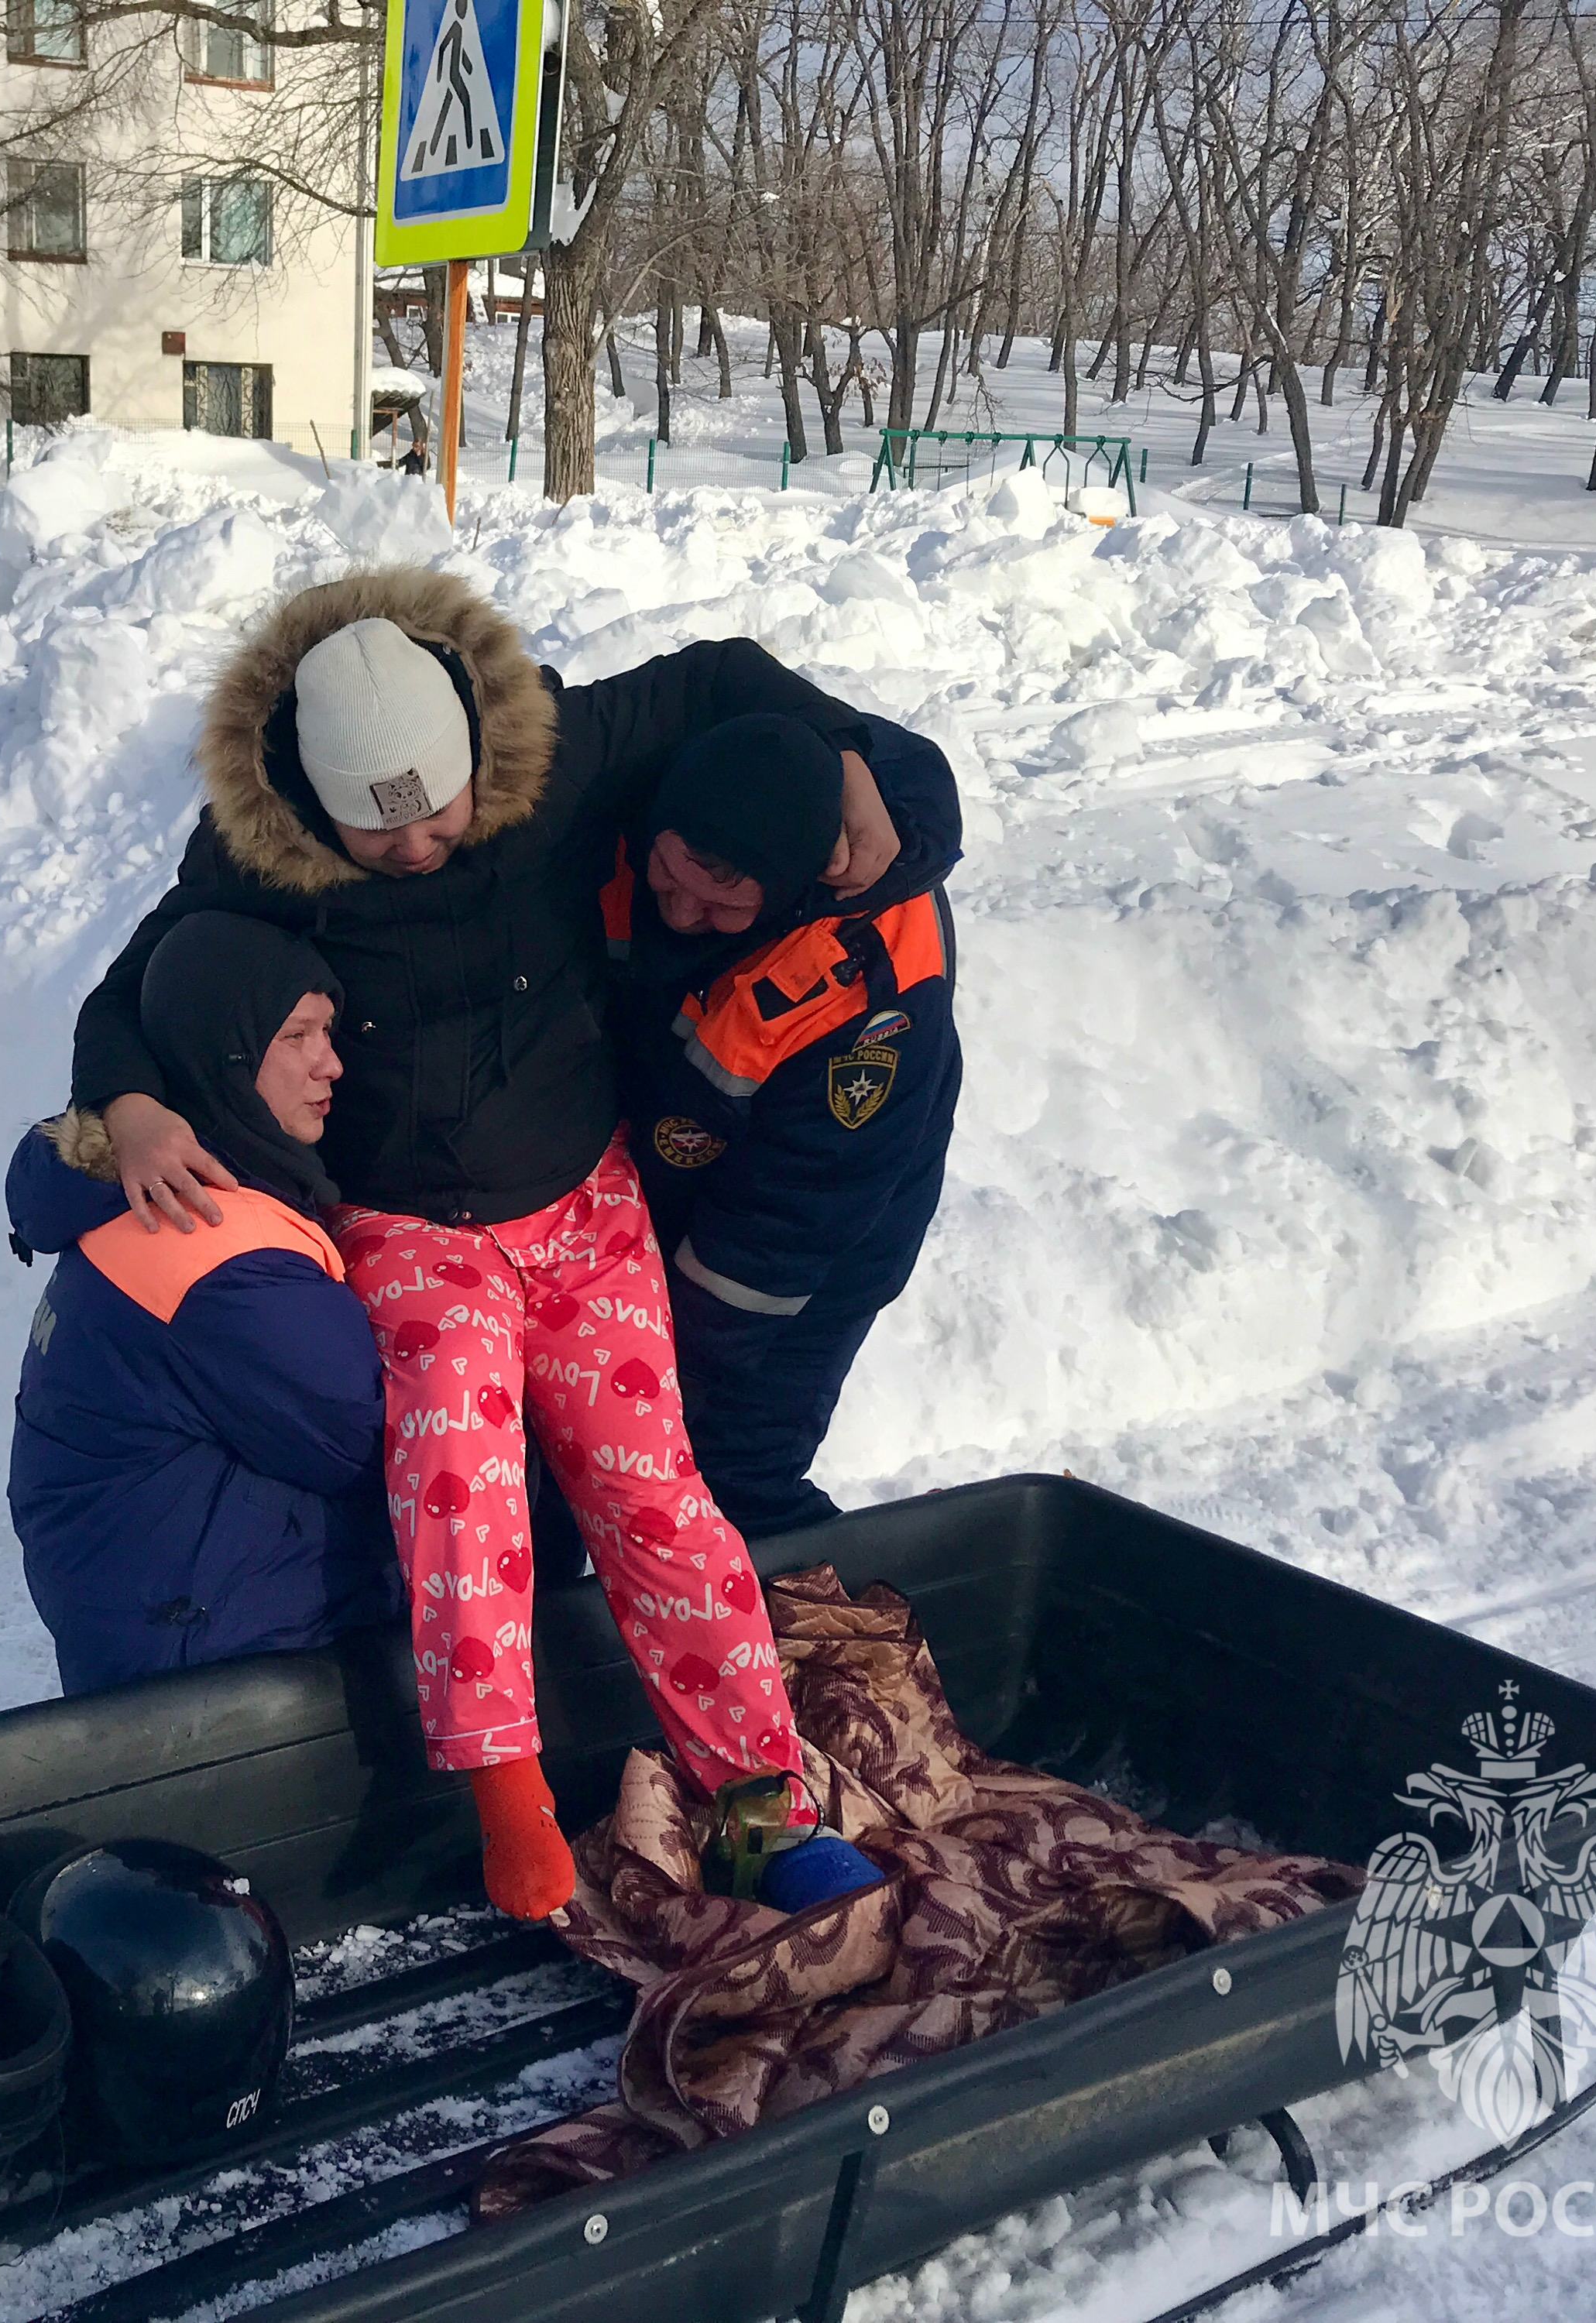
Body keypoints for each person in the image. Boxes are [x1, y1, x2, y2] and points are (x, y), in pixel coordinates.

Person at [65, 567, 943, 1920]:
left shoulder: (558, 749)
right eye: (378, 833)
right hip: (415, 1229)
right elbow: (138, 982)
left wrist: (852, 760)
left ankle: (759, 1804)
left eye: (438, 814)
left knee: (659, 1498)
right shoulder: (260, 849)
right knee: (462, 1490)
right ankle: (508, 1793)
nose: (416, 850)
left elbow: (719, 675)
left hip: (588, 1204)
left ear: (479, 749)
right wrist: (126, 1103)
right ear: (313, 800)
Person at [6, 913, 401, 1697]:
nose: (331, 1066)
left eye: (328, 1032)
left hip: (152, 1612)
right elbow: (380, 1440)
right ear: (225, 1052)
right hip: (212, 1664)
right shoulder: (209, 1247)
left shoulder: (134, 1194)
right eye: (296, 1037)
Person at [617, 713, 964, 1539]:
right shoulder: (636, 808)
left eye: (723, 904)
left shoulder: (869, 989)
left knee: (726, 1471)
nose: (685, 914)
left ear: (790, 889)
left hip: (806, 1258)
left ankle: (851, 1652)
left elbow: (785, 1226)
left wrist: (661, 1388)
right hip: (661, 1178)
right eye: (670, 881)